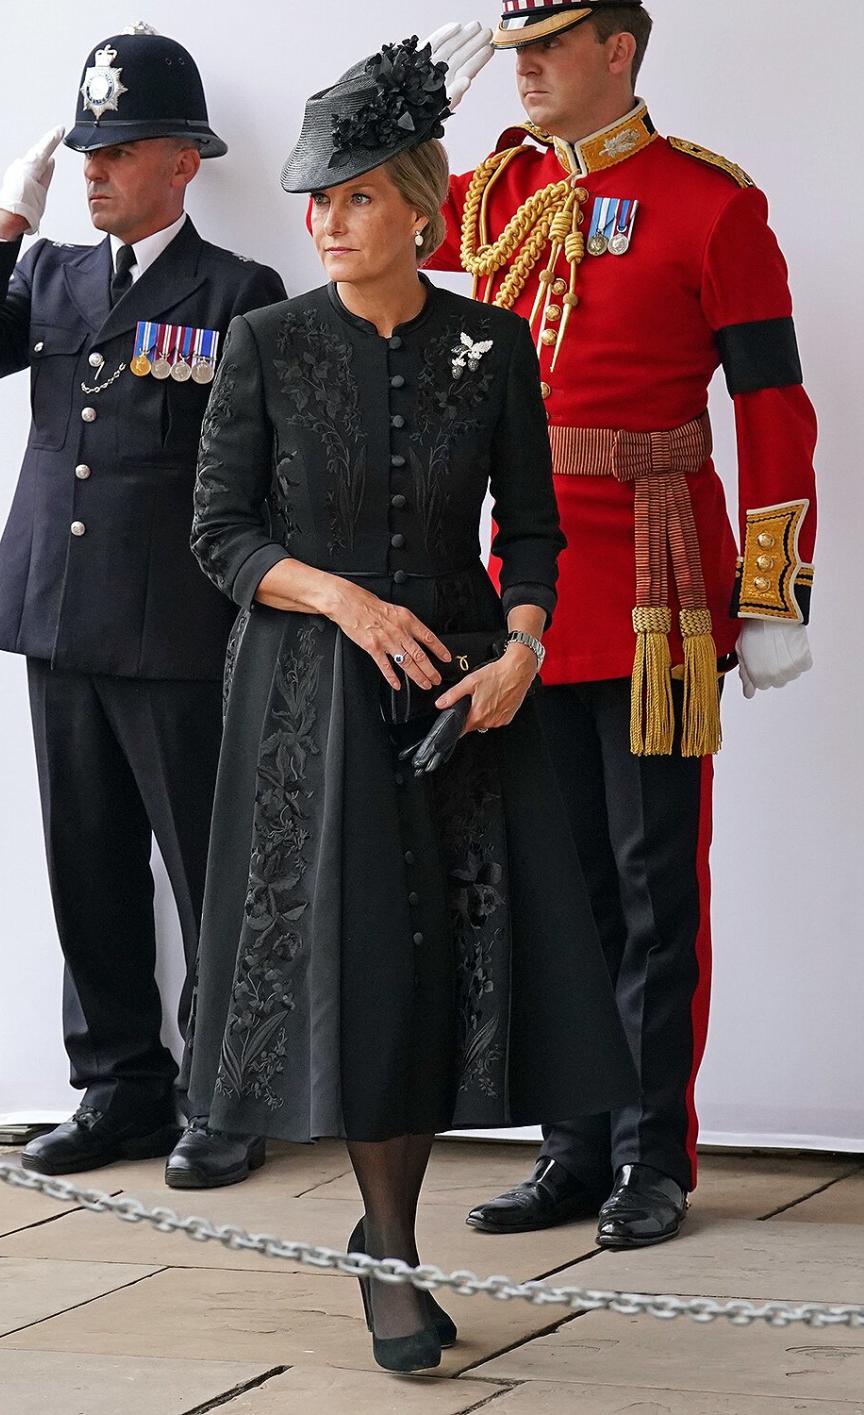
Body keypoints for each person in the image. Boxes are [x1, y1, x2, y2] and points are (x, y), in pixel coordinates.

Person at [178, 35, 638, 1374]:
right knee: (365, 968)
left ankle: (396, 1234)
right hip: (309, 703)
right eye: (316, 200)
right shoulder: (264, 342)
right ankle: (387, 1255)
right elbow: (219, 535)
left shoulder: (491, 344)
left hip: (462, 708)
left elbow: (536, 533)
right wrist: (339, 598)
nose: (327, 222)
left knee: (441, 973)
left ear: (419, 206)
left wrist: (524, 649)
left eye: (357, 197)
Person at [427, 2, 818, 1246]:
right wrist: (397, 96)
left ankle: (654, 1153)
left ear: (619, 52)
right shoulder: (494, 191)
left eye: (549, 42)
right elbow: (363, 203)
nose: (525, 67)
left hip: (656, 589)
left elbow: (775, 410)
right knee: (552, 886)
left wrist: (772, 590)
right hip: (524, 594)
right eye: (514, 47)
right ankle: (573, 1145)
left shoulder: (714, 205)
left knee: (654, 890)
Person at [0, 25, 286, 1181]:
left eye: (119, 150)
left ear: (183, 160)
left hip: (176, 626)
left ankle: (229, 1094)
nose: (94, 169)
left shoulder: (238, 290)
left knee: (204, 866)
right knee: (86, 863)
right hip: (58, 611)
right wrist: (1, 223)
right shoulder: (52, 272)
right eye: (86, 148)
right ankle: (120, 1085)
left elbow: (262, 470)